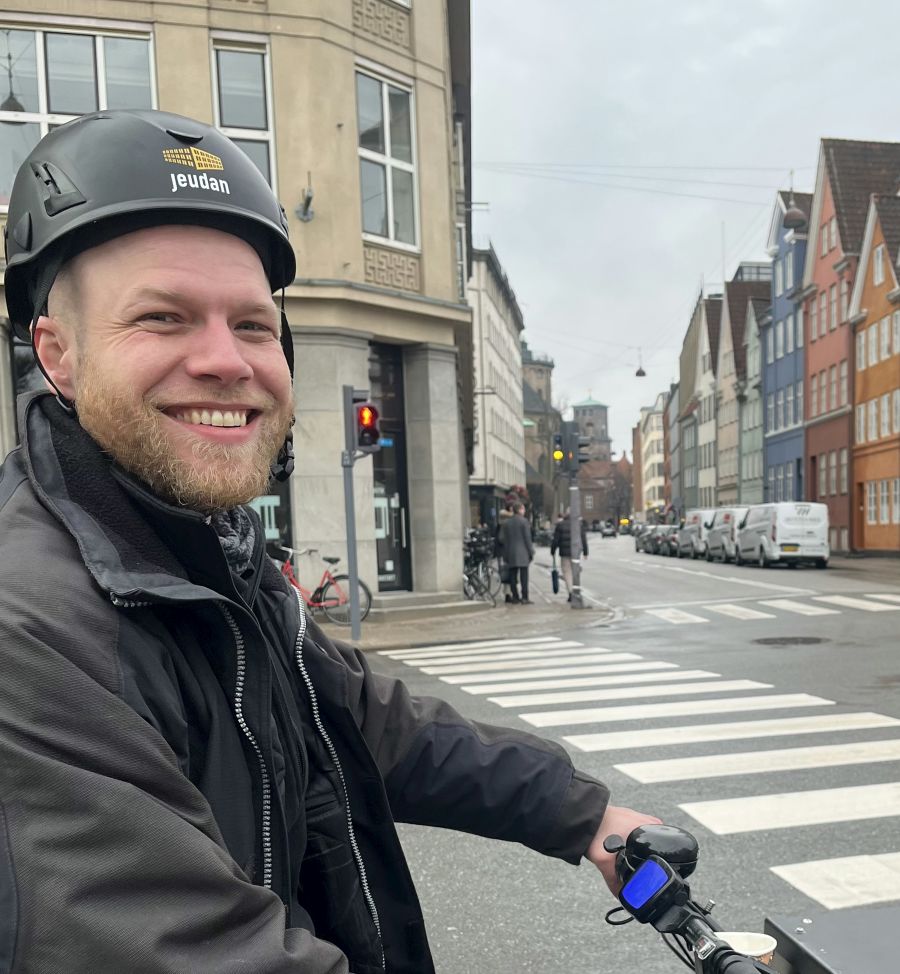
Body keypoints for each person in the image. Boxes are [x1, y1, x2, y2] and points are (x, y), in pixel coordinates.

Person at [0, 109, 659, 973]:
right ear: (60, 354)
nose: (225, 361)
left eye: (252, 324)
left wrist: (585, 816)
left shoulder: (209, 554)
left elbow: (364, 722)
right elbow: (192, 950)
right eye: (162, 317)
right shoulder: (32, 630)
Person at [498, 502, 534, 604]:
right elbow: (527, 538)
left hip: (510, 552)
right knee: (524, 576)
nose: (524, 511)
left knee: (512, 576)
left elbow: (501, 538)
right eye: (523, 509)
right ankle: (525, 597)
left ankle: (515, 596)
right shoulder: (524, 522)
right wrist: (531, 552)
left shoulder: (506, 523)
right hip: (523, 553)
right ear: (520, 510)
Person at [551, 509, 589, 602]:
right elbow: (583, 539)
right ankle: (576, 590)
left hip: (564, 553)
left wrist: (553, 551)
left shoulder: (560, 525)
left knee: (567, 573)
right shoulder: (578, 525)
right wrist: (585, 552)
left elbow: (555, 540)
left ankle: (571, 592)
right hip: (575, 553)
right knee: (574, 571)